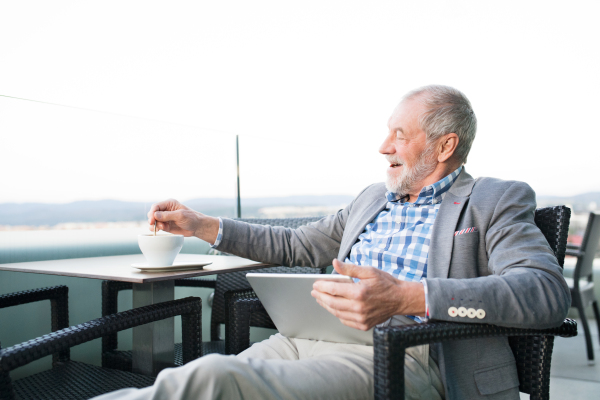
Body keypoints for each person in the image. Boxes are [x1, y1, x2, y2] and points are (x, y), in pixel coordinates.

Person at [94, 85, 570, 400]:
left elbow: (544, 294)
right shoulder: (371, 198)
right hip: (305, 337)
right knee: (179, 382)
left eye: (398, 135)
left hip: (405, 355)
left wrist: (407, 296)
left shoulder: (494, 199)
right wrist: (202, 225)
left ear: (444, 147)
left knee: (211, 380)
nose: (383, 146)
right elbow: (296, 244)